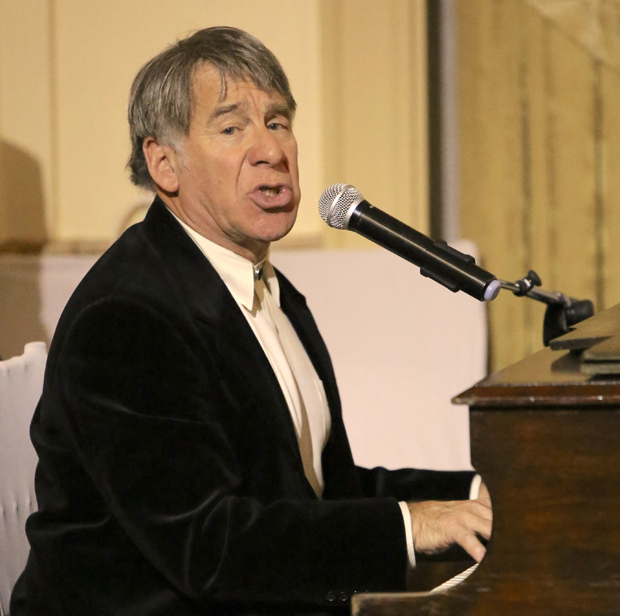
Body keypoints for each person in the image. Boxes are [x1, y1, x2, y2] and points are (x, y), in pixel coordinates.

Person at [10, 27, 491, 616]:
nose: (270, 150)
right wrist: (408, 527)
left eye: (279, 121)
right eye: (232, 127)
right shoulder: (127, 318)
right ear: (163, 163)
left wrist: (476, 494)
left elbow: (319, 494)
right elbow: (208, 544)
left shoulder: (267, 288)